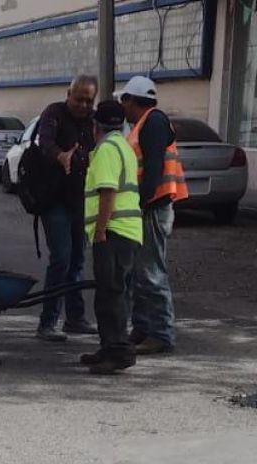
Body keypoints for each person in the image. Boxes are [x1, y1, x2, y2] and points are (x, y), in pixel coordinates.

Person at [119, 75, 187, 355]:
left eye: (123, 101)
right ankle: (144, 328)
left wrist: (141, 203)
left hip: (153, 207)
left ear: (130, 100)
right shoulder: (145, 123)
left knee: (151, 273)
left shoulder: (153, 122)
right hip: (150, 206)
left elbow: (154, 168)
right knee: (140, 273)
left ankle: (161, 334)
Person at [34, 75, 100, 342]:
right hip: (54, 201)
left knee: (77, 260)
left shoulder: (93, 122)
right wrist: (59, 155)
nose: (84, 105)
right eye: (79, 98)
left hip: (80, 200)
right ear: (68, 93)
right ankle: (47, 322)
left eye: (89, 100)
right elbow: (44, 141)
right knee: (61, 258)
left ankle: (75, 318)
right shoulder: (54, 113)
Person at [80, 100, 144, 375]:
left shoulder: (106, 149)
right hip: (126, 231)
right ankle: (109, 347)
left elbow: (108, 192)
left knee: (111, 293)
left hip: (114, 231)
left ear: (97, 126)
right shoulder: (124, 146)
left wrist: (101, 230)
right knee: (112, 291)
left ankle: (118, 351)